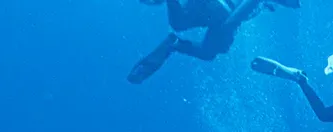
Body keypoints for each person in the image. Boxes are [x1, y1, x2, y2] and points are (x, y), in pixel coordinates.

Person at [128, 0, 299, 84]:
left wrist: (229, 29)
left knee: (199, 42)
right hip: (221, 9)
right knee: (207, 46)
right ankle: (174, 43)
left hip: (221, 13)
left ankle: (173, 43)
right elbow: (245, 8)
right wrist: (230, 26)